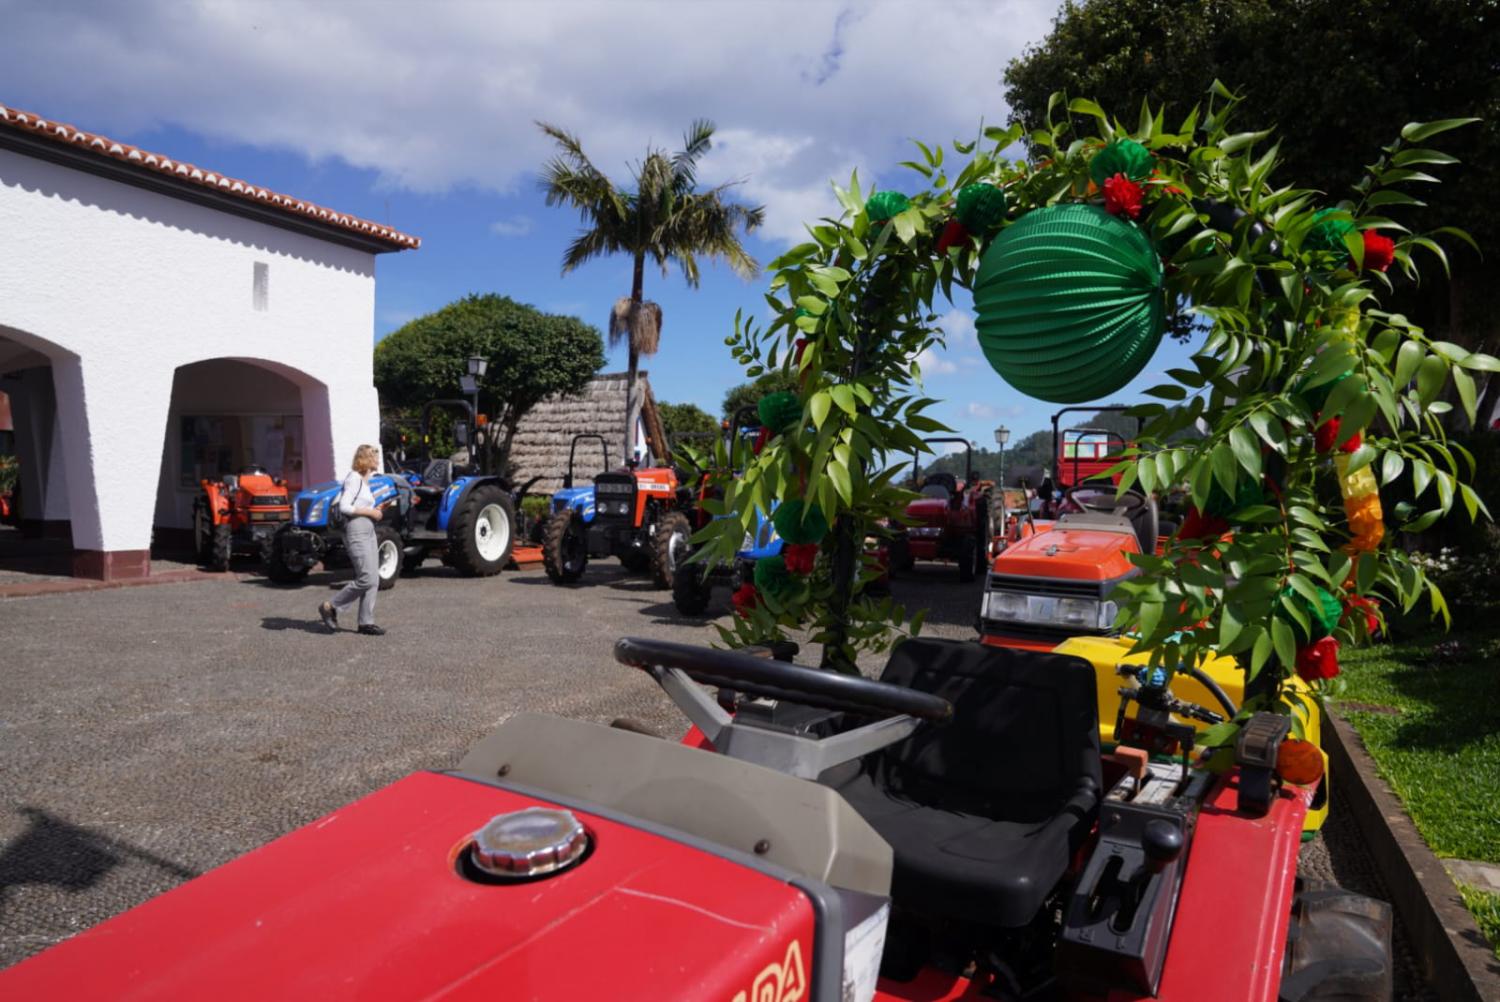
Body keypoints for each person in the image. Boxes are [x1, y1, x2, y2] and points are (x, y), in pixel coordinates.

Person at [318, 444, 387, 636]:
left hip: (369, 530)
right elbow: (345, 507)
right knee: (366, 577)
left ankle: (366, 622)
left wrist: (377, 510)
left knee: (373, 578)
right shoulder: (354, 478)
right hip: (356, 530)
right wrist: (371, 511)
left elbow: (360, 506)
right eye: (375, 457)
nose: (378, 461)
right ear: (365, 459)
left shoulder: (364, 482)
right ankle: (330, 606)